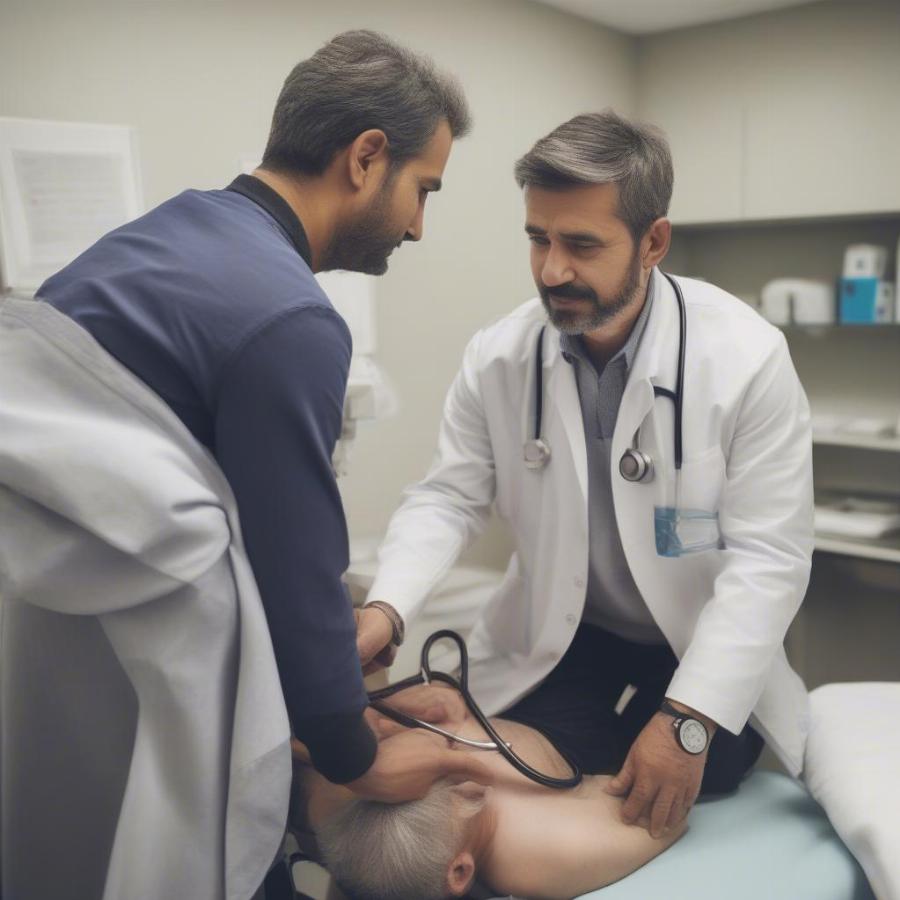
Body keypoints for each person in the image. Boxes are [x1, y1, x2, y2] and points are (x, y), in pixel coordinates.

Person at [0, 30, 492, 900]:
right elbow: (294, 574)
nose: (419, 225)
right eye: (424, 190)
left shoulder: (150, 240)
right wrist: (356, 751)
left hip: (44, 644)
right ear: (366, 157)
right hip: (143, 679)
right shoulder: (291, 319)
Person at [357, 109, 814, 841]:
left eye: (581, 244)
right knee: (518, 770)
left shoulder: (746, 359)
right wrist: (386, 608)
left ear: (653, 242)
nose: (552, 270)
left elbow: (771, 562)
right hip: (570, 636)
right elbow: (449, 496)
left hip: (697, 641)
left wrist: (688, 722)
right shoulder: (500, 357)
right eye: (538, 238)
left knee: (680, 775)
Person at [292, 681, 686, 900]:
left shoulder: (340, 798)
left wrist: (376, 716)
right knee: (729, 752)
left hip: (540, 713)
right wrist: (684, 729)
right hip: (604, 751)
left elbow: (304, 743)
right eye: (449, 783)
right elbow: (665, 815)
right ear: (460, 871)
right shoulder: (540, 858)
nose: (445, 754)